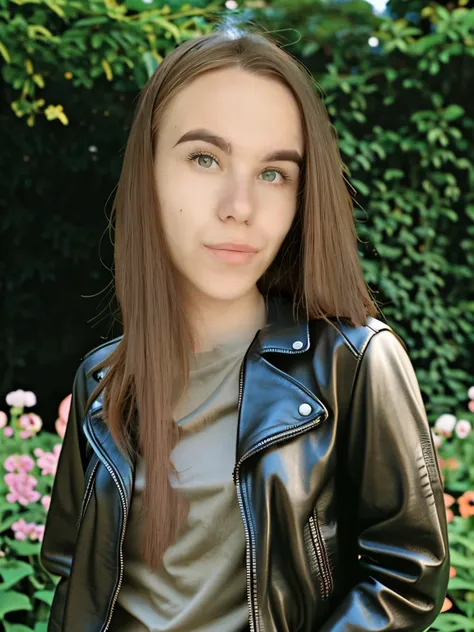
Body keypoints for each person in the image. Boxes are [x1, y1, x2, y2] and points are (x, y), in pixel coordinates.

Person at [40, 24, 449, 632]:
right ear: (148, 172)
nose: (240, 205)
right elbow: (72, 570)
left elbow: (408, 576)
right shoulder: (102, 377)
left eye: (274, 172)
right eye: (205, 158)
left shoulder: (355, 364)